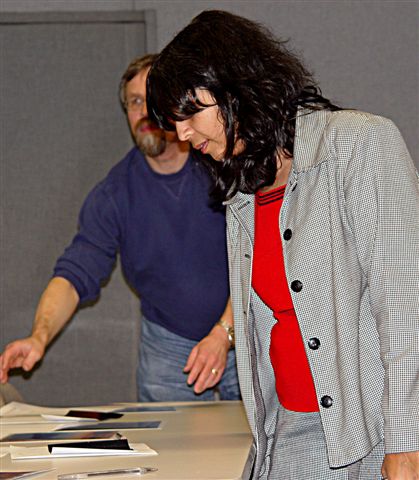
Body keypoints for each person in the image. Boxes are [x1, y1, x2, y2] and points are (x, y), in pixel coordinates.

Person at [146, 10, 419, 480]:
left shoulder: (358, 144)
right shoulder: (244, 192)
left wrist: (407, 443)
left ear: (237, 87)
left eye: (190, 113)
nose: (182, 134)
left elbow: (404, 305)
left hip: (369, 435)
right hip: (289, 431)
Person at [0, 54, 241, 403]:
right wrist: (38, 336)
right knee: (174, 454)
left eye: (153, 99)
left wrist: (224, 333)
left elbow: (258, 254)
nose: (144, 112)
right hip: (168, 347)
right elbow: (74, 274)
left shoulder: (220, 168)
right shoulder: (114, 194)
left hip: (244, 330)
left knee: (262, 450)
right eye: (134, 102)